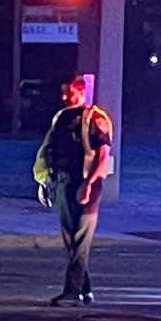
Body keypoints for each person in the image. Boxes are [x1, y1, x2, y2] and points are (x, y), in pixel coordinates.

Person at [33, 74, 112, 307]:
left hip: (84, 184)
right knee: (70, 239)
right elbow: (48, 150)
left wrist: (87, 185)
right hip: (61, 183)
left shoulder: (95, 118)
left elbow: (102, 155)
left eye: (69, 91)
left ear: (81, 91)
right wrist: (44, 182)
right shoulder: (61, 117)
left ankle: (72, 291)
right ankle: (84, 289)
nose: (64, 95)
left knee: (80, 238)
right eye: (63, 91)